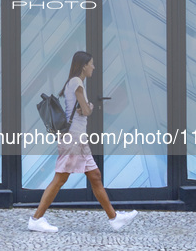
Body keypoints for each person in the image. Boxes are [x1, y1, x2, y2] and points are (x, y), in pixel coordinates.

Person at [28, 51, 138, 233]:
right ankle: (36, 219)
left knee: (95, 177)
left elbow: (80, 110)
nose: (93, 67)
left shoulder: (73, 83)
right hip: (73, 139)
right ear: (83, 66)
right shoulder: (77, 83)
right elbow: (85, 111)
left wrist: (85, 109)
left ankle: (114, 218)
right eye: (91, 64)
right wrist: (89, 107)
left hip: (79, 139)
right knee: (60, 178)